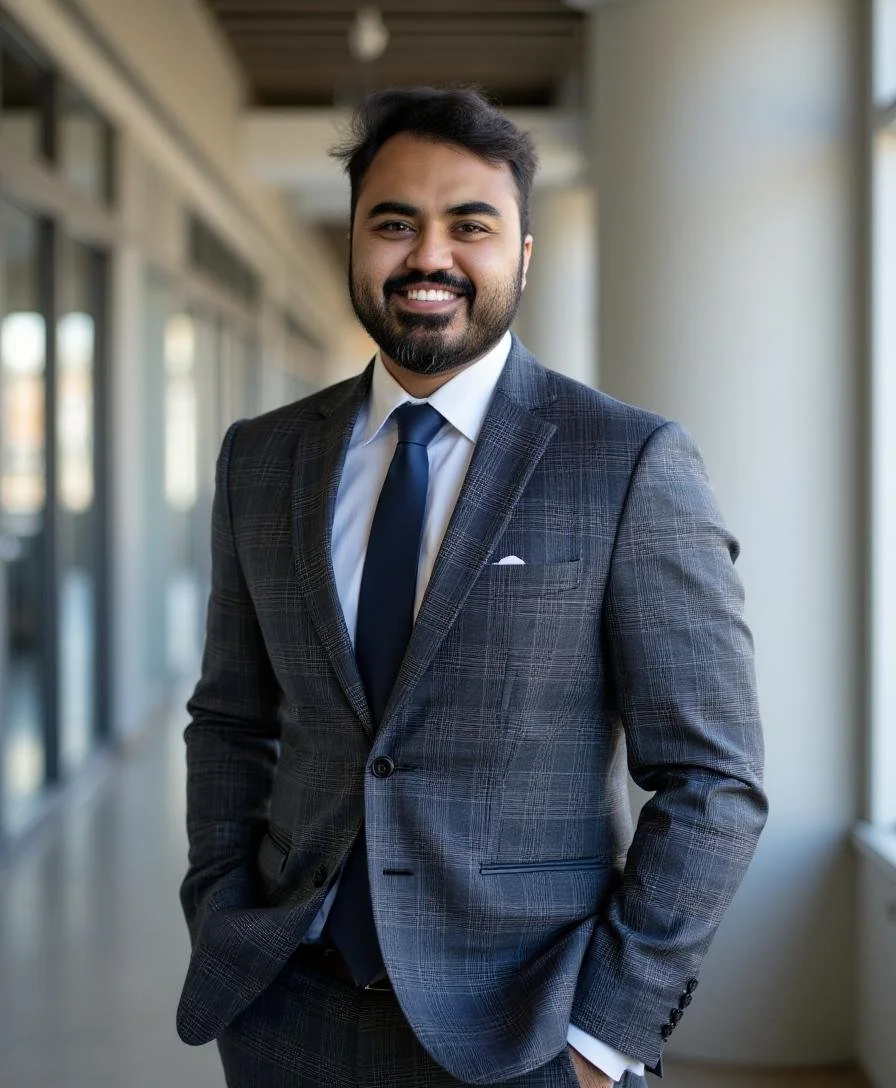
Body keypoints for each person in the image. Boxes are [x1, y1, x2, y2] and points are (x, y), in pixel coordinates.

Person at [175, 87, 767, 1088]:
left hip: (525, 1030)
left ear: (522, 253)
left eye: (470, 224)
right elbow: (232, 716)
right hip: (286, 1012)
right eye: (393, 222)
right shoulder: (261, 457)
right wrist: (221, 907)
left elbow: (712, 779)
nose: (428, 257)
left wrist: (599, 1038)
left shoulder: (624, 461)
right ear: (354, 240)